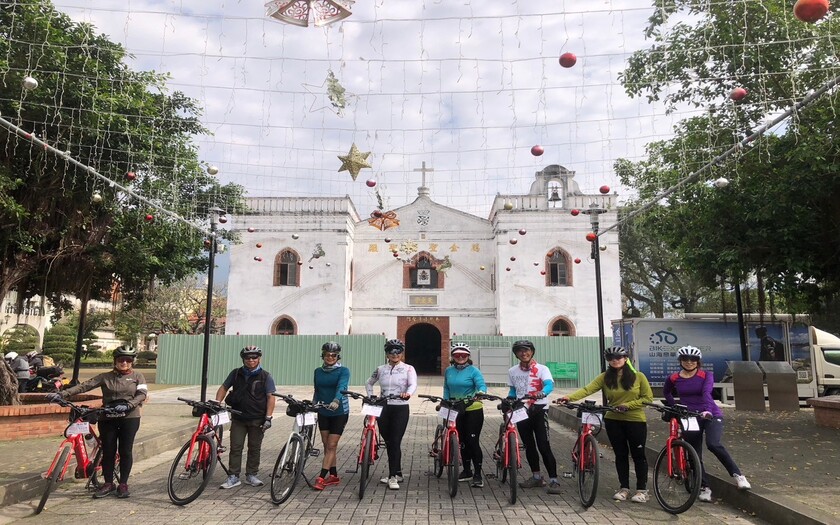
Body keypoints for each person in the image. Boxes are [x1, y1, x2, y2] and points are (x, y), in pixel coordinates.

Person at [47, 346, 147, 498]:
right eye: (121, 360)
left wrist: (129, 404)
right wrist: (62, 394)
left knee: (125, 451)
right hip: (107, 417)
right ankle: (108, 483)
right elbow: (84, 386)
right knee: (108, 451)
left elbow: (141, 394)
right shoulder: (105, 377)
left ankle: (123, 484)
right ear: (115, 361)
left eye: (128, 360)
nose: (124, 363)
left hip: (129, 417)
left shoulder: (138, 376)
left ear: (132, 362)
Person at [558, 346, 653, 503]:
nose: (615, 360)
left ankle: (642, 490)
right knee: (620, 455)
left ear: (625, 358)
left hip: (635, 420)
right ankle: (624, 488)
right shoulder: (605, 377)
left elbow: (647, 398)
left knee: (638, 455)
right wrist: (568, 397)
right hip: (613, 420)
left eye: (618, 357)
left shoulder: (639, 377)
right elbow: (588, 389)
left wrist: (627, 405)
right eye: (611, 358)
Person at [664, 345, 751, 502]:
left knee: (713, 444)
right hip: (689, 417)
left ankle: (738, 475)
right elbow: (666, 392)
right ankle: (704, 487)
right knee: (694, 453)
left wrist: (707, 410)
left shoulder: (706, 375)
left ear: (698, 361)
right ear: (680, 361)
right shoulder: (674, 378)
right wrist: (674, 407)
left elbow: (706, 393)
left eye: (693, 360)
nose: (689, 362)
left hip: (710, 414)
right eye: (685, 359)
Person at [216, 345, 276, 489]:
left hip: (257, 418)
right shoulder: (236, 373)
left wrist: (268, 417)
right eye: (247, 358)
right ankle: (233, 476)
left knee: (254, 448)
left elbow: (270, 397)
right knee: (236, 447)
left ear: (259, 358)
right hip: (239, 418)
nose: (251, 360)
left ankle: (251, 475)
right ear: (243, 359)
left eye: (254, 357)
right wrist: (216, 403)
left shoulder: (266, 376)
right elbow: (224, 387)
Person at [507, 340, 562, 495]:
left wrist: (542, 393)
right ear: (516, 354)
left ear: (532, 352)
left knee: (543, 445)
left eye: (527, 350)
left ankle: (553, 480)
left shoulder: (542, 369)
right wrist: (509, 400)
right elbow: (513, 391)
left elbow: (549, 385)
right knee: (529, 446)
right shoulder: (512, 371)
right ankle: (536, 477)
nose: (524, 353)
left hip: (539, 409)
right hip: (521, 410)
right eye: (520, 351)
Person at [366, 338, 417, 490]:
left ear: (402, 353)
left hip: (400, 407)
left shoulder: (408, 369)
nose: (395, 354)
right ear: (387, 354)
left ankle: (393, 476)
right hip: (383, 407)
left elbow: (413, 383)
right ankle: (398, 472)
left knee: (395, 441)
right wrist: (370, 396)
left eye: (398, 351)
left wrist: (407, 394)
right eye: (391, 351)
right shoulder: (381, 369)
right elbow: (369, 382)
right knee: (389, 442)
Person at [443, 342, 487, 488]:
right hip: (455, 408)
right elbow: (446, 388)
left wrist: (480, 393)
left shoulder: (474, 371)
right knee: (460, 441)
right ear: (453, 356)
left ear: (468, 356)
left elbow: (481, 385)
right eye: (457, 355)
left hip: (472, 409)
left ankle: (478, 474)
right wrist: (445, 401)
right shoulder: (448, 371)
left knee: (472, 441)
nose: (460, 357)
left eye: (463, 355)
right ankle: (467, 471)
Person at [312, 341, 350, 490]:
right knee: (326, 444)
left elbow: (342, 387)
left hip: (339, 411)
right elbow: (317, 389)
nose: (330, 357)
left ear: (338, 357)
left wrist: (336, 400)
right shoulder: (317, 371)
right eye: (327, 355)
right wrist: (314, 403)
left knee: (332, 445)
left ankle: (321, 477)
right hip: (323, 411)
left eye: (334, 355)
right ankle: (333, 475)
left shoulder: (343, 371)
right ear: (323, 355)